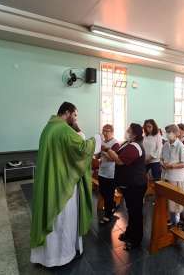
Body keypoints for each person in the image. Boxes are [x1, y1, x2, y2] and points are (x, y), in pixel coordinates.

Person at [30, 102, 101, 267]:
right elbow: (83, 148)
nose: (75, 119)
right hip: (63, 184)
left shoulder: (49, 127)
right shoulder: (63, 129)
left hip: (52, 178)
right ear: (67, 113)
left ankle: (45, 256)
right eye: (74, 115)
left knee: (53, 218)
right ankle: (61, 256)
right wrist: (97, 138)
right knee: (62, 219)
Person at [107, 123, 147, 251]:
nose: (126, 131)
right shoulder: (128, 143)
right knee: (130, 210)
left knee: (136, 212)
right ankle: (129, 233)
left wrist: (108, 149)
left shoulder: (135, 146)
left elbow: (120, 161)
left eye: (129, 130)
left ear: (135, 134)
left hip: (136, 184)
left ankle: (136, 240)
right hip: (129, 184)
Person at [160, 124, 184, 226]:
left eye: (170, 132)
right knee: (170, 200)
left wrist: (172, 166)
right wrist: (162, 163)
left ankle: (183, 219)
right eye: (167, 132)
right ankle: (172, 220)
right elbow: (162, 158)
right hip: (166, 175)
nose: (168, 134)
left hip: (176, 177)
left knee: (178, 200)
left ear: (176, 133)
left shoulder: (180, 146)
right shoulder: (166, 144)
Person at [98, 124, 120, 224]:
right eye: (103, 131)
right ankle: (112, 205)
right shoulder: (102, 142)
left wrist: (104, 151)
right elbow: (98, 154)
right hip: (102, 171)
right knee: (102, 192)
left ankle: (107, 216)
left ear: (112, 132)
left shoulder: (115, 143)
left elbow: (112, 159)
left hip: (111, 172)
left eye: (107, 131)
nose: (105, 133)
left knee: (109, 194)